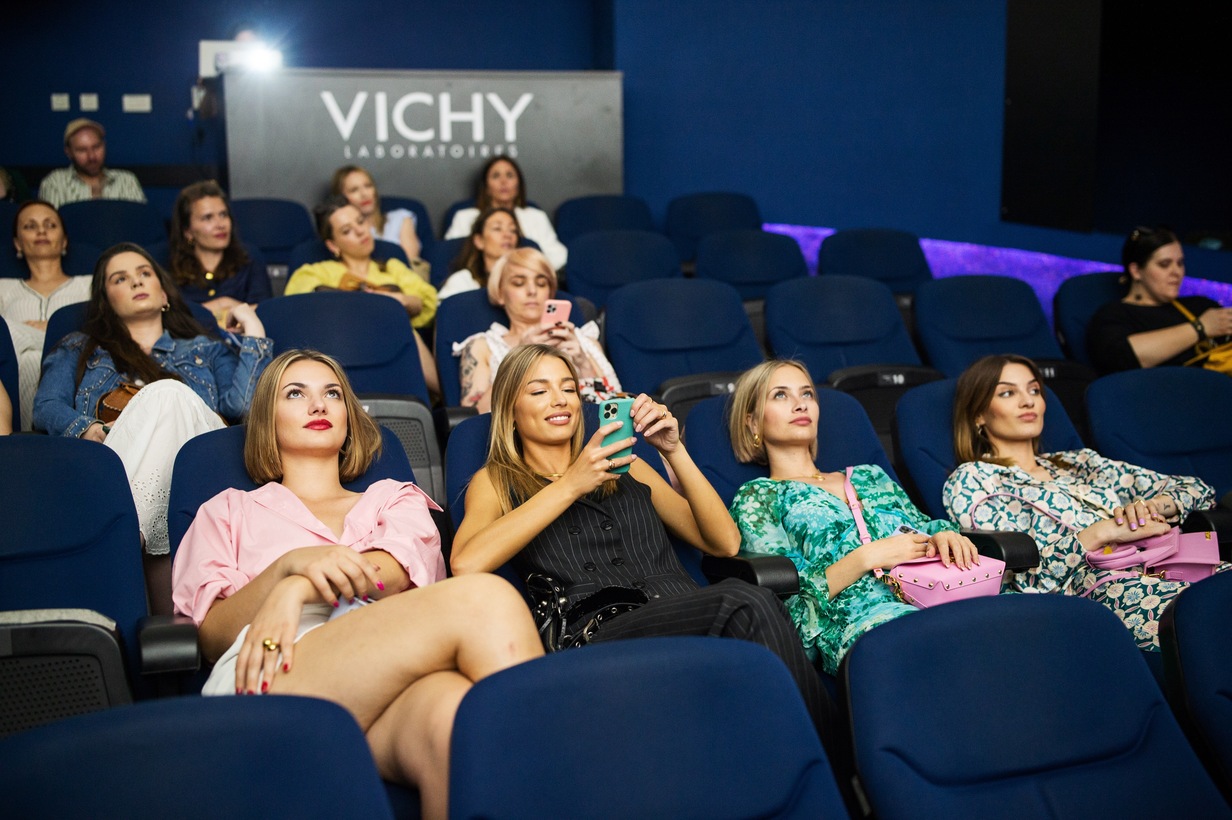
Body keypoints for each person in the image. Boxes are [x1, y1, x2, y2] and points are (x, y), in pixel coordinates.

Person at [172, 349, 542, 820]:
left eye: (332, 394)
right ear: (267, 418)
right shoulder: (227, 511)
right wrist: (286, 569)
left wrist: (297, 588)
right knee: (485, 599)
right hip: (274, 670)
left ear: (348, 415)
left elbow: (394, 570)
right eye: (295, 394)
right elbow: (210, 634)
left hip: (389, 677)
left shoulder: (393, 498)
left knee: (452, 719)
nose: (318, 405)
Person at [450, 344, 838, 749]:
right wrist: (570, 485)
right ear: (510, 410)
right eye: (539, 390)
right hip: (599, 632)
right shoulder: (495, 480)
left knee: (755, 611)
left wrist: (673, 450)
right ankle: (834, 766)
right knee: (748, 601)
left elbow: (724, 543)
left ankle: (796, 759)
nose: (560, 399)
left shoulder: (628, 466)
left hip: (683, 607)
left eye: (568, 388)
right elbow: (465, 563)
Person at [34, 242, 272, 610]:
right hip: (113, 454)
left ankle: (116, 550)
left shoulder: (205, 348)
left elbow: (242, 406)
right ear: (105, 300)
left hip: (198, 458)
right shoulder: (78, 348)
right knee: (163, 397)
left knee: (168, 394)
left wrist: (252, 330)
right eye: (120, 279)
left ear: (163, 294)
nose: (135, 282)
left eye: (144, 273)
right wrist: (87, 428)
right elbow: (47, 406)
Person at [943, 353, 1229, 650]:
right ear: (978, 414)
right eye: (1007, 393)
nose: (1028, 401)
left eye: (1034, 390)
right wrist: (1102, 532)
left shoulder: (1080, 462)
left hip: (1167, 560)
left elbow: (1197, 489)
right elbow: (1020, 581)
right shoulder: (975, 479)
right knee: (1210, 626)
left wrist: (1151, 509)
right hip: (1097, 589)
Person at [727, 360, 979, 675]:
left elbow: (921, 526)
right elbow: (791, 611)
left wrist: (944, 535)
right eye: (780, 395)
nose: (800, 404)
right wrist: (865, 557)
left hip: (938, 594)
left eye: (807, 394)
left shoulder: (870, 475)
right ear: (752, 422)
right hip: (861, 619)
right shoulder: (759, 496)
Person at [285, 197, 440, 398]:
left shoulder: (392, 268)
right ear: (333, 245)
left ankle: (446, 401)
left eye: (360, 221)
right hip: (335, 348)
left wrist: (401, 300)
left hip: (390, 352)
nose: (360, 231)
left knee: (404, 329)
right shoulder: (314, 272)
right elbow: (296, 309)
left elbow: (427, 301)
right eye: (346, 231)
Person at [452, 248, 617, 412]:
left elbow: (617, 406)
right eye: (519, 283)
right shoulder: (483, 347)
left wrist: (583, 365)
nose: (532, 291)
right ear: (500, 293)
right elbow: (474, 417)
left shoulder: (584, 343)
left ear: (550, 293)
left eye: (541, 283)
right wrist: (520, 357)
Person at [1087, 225, 1232, 374]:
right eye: (1164, 264)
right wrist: (1200, 328)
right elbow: (1121, 358)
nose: (1177, 272)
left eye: (1180, 263)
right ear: (1136, 271)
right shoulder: (1114, 315)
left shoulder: (1201, 305)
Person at [2, 201, 92, 429]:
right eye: (30, 226)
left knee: (24, 348)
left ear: (64, 241)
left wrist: (47, 328)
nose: (41, 231)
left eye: (50, 225)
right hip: (14, 386)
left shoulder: (89, 284)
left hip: (76, 374)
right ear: (17, 243)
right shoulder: (2, 289)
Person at [168, 180, 272, 321]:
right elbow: (170, 319)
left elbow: (265, 311)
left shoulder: (249, 256)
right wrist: (221, 304)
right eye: (208, 218)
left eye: (223, 215)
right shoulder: (169, 266)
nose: (220, 224)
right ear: (188, 231)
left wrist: (225, 304)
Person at [443, 157, 567, 270]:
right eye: (496, 176)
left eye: (509, 175)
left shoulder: (536, 217)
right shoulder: (464, 217)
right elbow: (448, 256)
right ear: (486, 186)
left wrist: (532, 270)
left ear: (519, 184)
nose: (503, 181)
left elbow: (559, 256)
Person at [330, 165, 426, 277]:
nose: (364, 194)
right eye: (354, 190)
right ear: (341, 198)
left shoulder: (401, 218)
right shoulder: (342, 234)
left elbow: (410, 266)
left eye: (368, 186)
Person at [37, 119, 146, 207]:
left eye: (96, 147)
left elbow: (141, 223)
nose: (92, 156)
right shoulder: (55, 183)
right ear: (68, 152)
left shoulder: (127, 181)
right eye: (82, 150)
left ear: (104, 145)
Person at [436, 207, 519, 301]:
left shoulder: (527, 280)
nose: (508, 235)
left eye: (513, 230)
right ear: (479, 241)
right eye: (497, 229)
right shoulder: (463, 281)